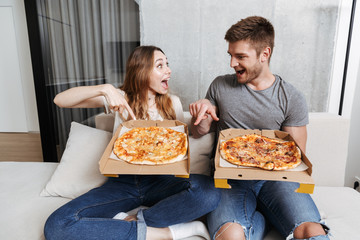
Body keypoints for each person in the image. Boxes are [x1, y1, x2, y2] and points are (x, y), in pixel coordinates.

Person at [45, 45, 221, 240]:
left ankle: (135, 219)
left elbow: (182, 143)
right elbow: (60, 100)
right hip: (123, 183)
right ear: (141, 71)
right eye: (160, 66)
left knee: (209, 192)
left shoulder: (173, 103)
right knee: (57, 225)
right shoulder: (121, 99)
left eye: (167, 64)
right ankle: (168, 233)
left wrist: (203, 120)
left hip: (162, 181)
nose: (168, 70)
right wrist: (105, 89)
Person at [189, 16, 329, 240]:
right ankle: (260, 220)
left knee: (312, 232)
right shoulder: (220, 85)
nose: (232, 63)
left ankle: (264, 215)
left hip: (275, 180)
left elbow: (297, 157)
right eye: (231, 56)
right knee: (231, 236)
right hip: (230, 179)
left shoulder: (290, 97)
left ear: (265, 54)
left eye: (240, 57)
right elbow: (199, 132)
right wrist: (202, 112)